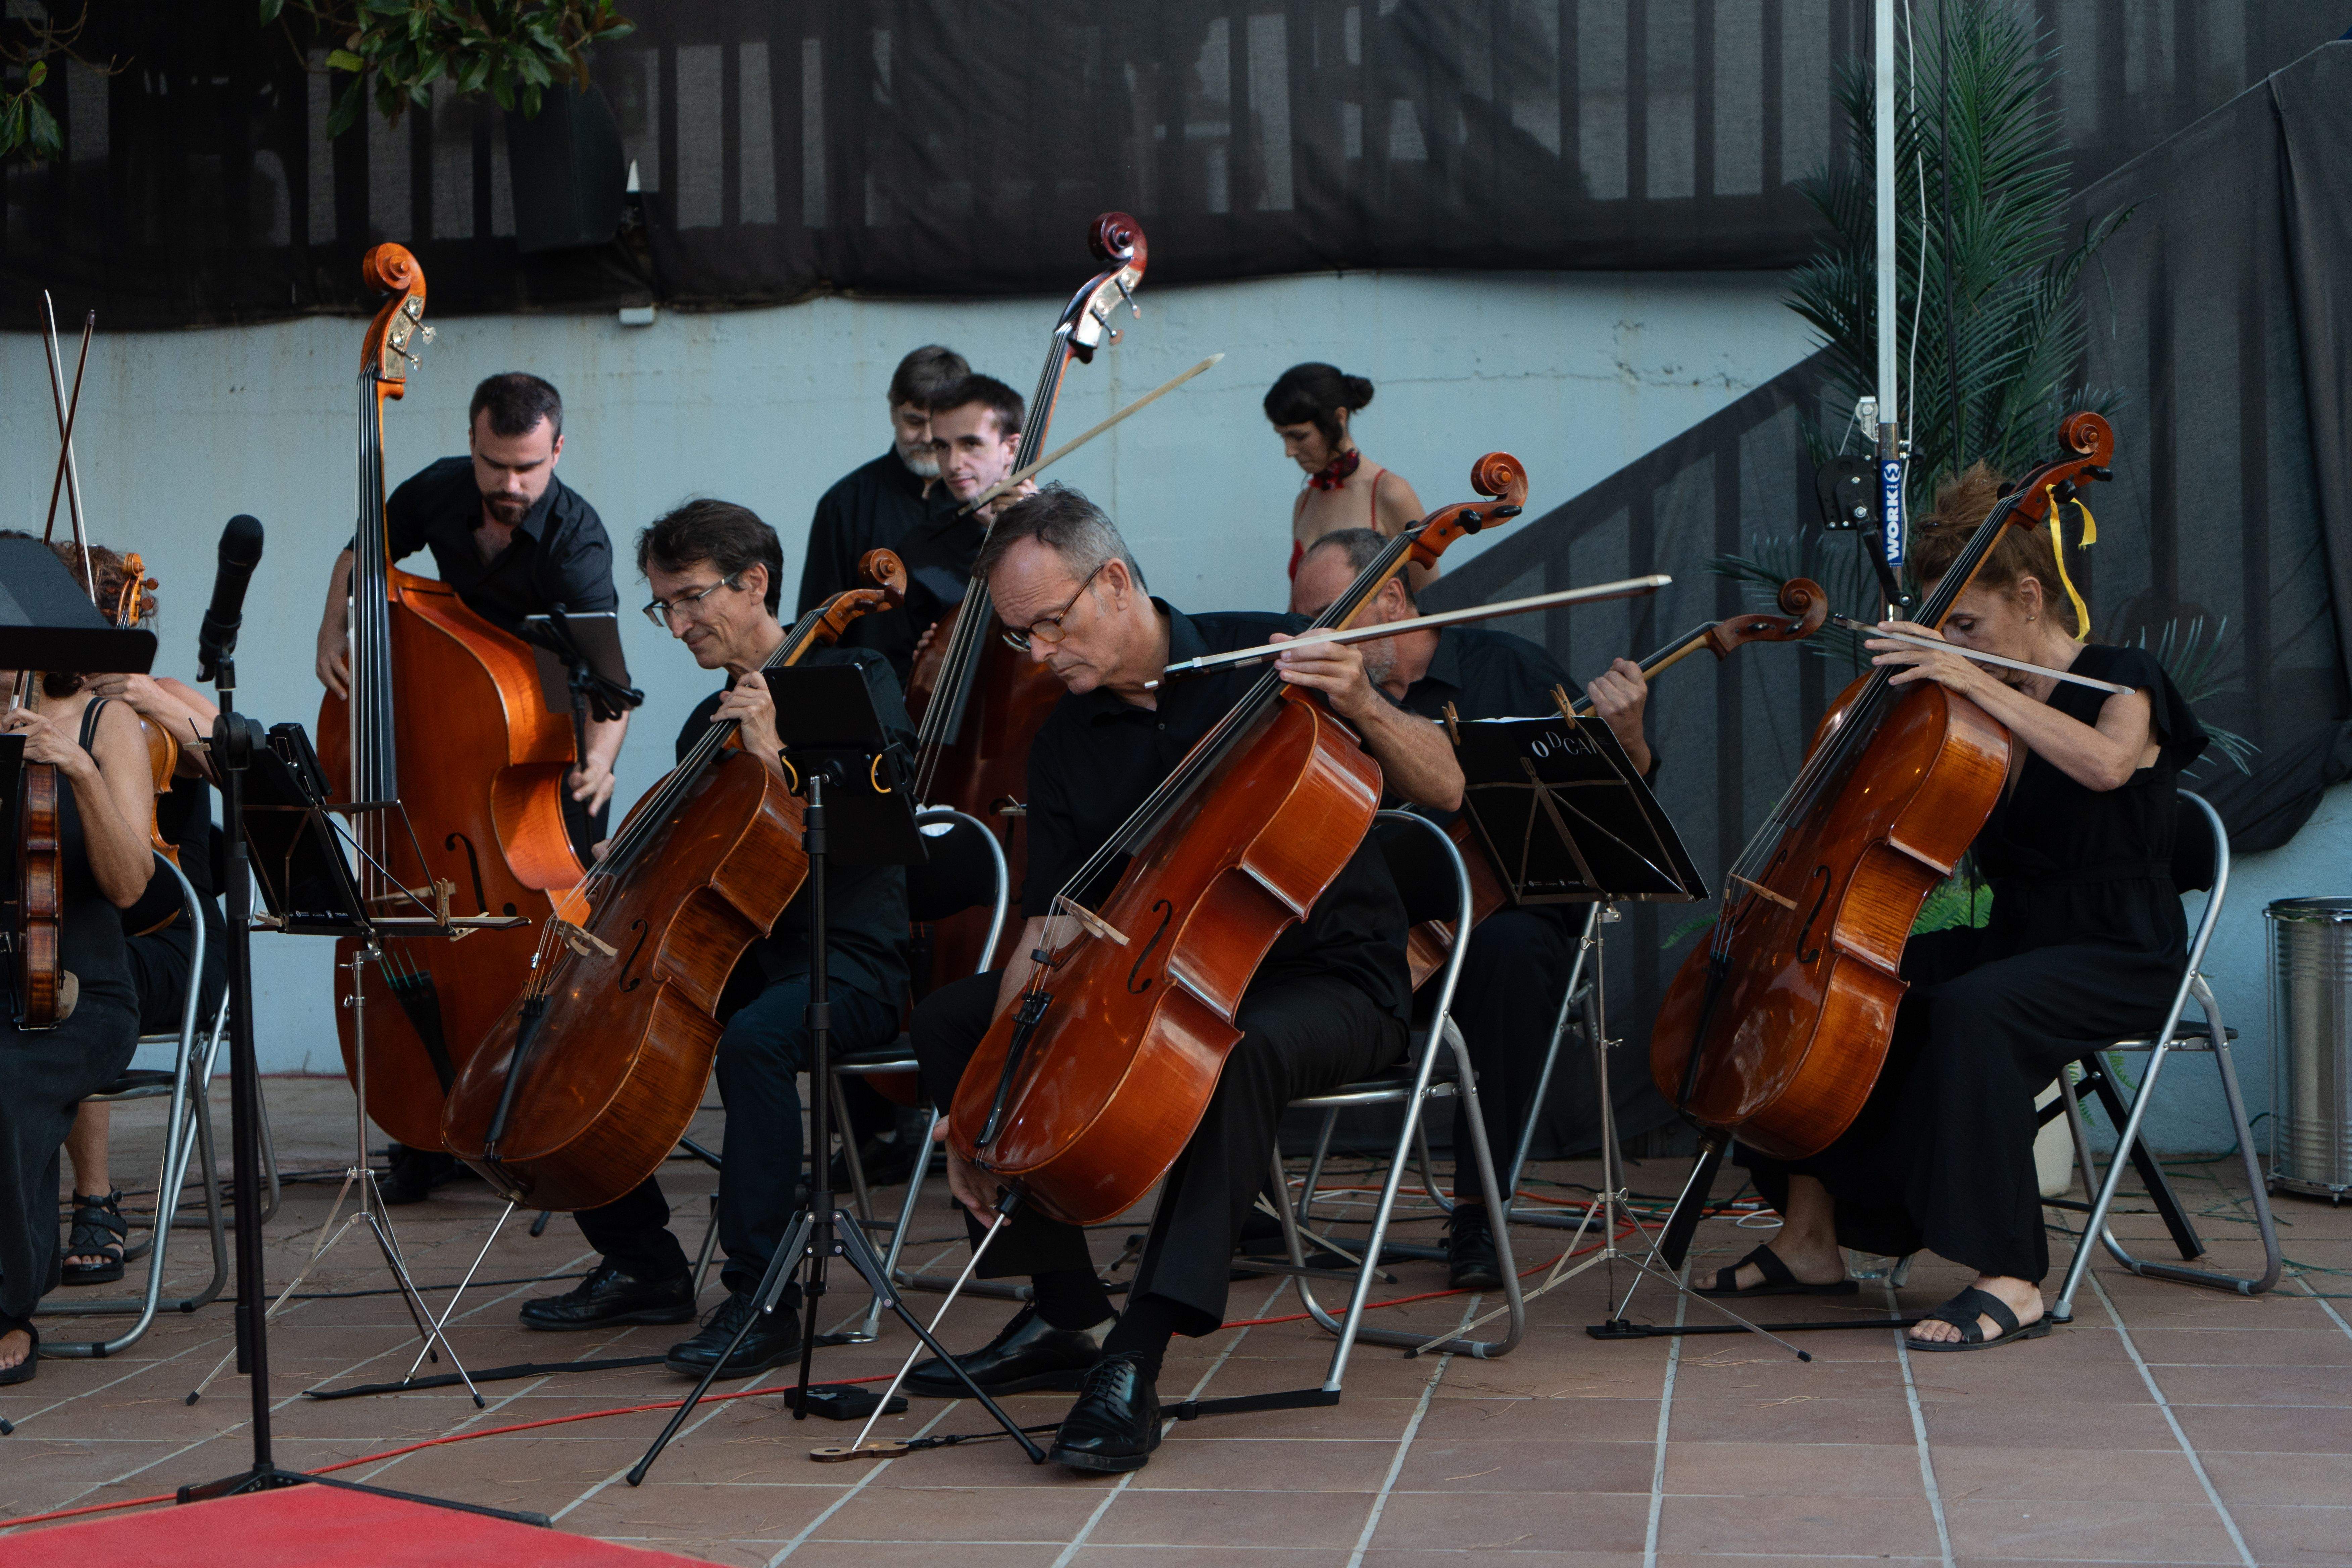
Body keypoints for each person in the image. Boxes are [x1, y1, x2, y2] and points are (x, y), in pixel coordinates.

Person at [902, 485, 1464, 1475]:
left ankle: (1134, 1354)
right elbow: (1052, 918)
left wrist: (1363, 699)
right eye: (1019, 638)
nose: (1037, 654)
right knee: (957, 1025)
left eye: (1049, 625)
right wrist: (987, 1099)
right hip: (1165, 969)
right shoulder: (1064, 738)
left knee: (1231, 1052)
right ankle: (1066, 1314)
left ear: (1113, 581)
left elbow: (1448, 790)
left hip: (1329, 980)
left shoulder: (1272, 658)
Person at [1705, 462, 2209, 1352]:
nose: (1959, 645)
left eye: (1968, 625)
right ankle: (1811, 1238)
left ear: (2029, 595)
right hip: (2018, 935)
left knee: (1975, 1013)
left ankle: (2012, 1277)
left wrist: (1969, 679)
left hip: (2120, 950)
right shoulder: (1986, 706)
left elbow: (2106, 766)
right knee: (1851, 995)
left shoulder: (2122, 677)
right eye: (1946, 630)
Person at [514, 500, 913, 1380]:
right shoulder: (709, 721)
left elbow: (883, 834)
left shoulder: (856, 677)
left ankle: (763, 1296)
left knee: (756, 1043)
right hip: (739, 953)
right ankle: (643, 1263)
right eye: (664, 606)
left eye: (689, 599)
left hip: (847, 958)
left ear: (755, 582)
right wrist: (630, 852)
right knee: (578, 1034)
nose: (678, 624)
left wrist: (779, 762)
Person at [1290, 529, 1653, 1288]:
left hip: (1501, 925)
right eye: (1305, 622)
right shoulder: (1318, 694)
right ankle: (1246, 1203)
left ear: (1390, 597)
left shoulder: (1508, 671)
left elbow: (1610, 808)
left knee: (1511, 950)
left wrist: (1626, 741)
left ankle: (1480, 1213)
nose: (1312, 639)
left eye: (1329, 615)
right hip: (1372, 930)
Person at [311, 371, 629, 1203]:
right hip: (449, 740)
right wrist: (333, 624)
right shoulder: (444, 489)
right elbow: (365, 551)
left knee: (543, 948)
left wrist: (601, 761)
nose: (511, 485)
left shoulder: (577, 542)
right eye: (495, 465)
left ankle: (530, 1113)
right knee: (430, 928)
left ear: (557, 450)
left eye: (527, 467)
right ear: (474, 444)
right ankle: (427, 1122)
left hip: (542, 742)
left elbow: (604, 682)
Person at [28, 544, 228, 1288]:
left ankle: (95, 1199)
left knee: (67, 961)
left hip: (172, 949)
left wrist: (153, 701)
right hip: (72, 931)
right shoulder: (34, 704)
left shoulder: (150, 700)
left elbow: (249, 766)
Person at [0, 636, 153, 1383]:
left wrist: (83, 773)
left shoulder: (101, 721)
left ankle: (7, 1308)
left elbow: (130, 886)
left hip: (76, 992)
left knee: (6, 1073)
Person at [797, 345, 976, 685]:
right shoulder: (843, 504)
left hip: (966, 701)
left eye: (936, 425)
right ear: (893, 410)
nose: (925, 438)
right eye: (914, 422)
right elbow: (816, 631)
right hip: (870, 702)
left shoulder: (985, 507)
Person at [1264, 363, 1428, 595]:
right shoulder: (1305, 501)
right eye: (1283, 438)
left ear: (1339, 418)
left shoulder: (1391, 493)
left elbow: (1429, 602)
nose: (1289, 451)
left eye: (1299, 436)